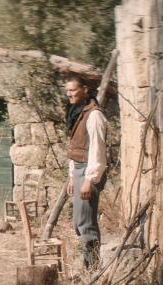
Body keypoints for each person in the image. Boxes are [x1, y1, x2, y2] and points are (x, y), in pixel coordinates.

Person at [63, 76, 107, 270]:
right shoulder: (78, 112)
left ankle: (93, 270)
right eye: (67, 91)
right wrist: (72, 176)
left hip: (89, 172)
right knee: (79, 221)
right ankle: (89, 266)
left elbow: (97, 150)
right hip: (80, 170)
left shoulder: (94, 115)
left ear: (85, 90)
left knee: (85, 223)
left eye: (73, 90)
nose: (69, 94)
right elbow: (76, 148)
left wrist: (89, 180)